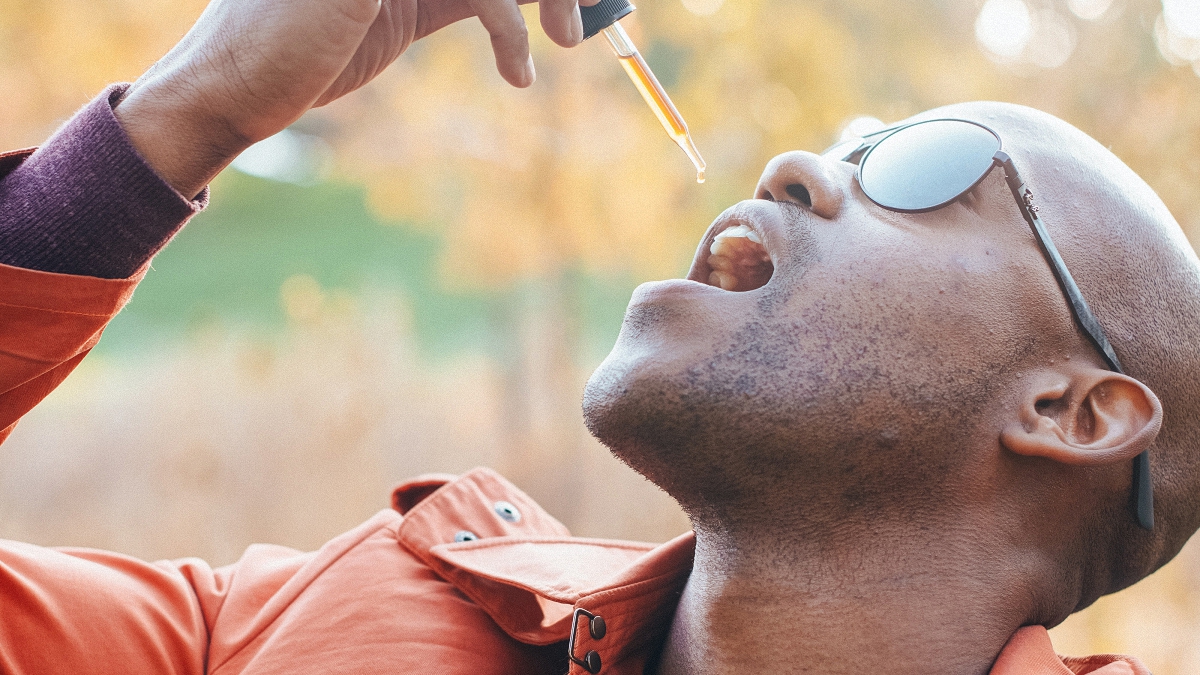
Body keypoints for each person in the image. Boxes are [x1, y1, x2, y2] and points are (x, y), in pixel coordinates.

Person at [0, 0, 1192, 671]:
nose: (798, 167)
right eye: (851, 141)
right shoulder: (285, 627)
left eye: (930, 170)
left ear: (1073, 412)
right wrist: (187, 113)